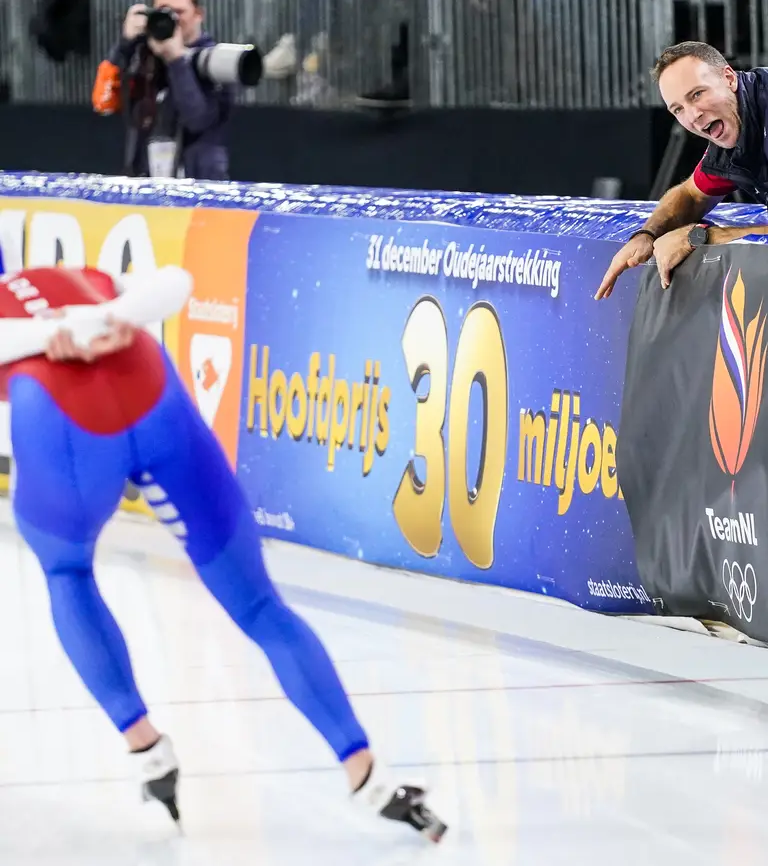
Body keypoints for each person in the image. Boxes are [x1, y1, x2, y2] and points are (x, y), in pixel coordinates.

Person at [0, 262, 447, 843]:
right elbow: (176, 283)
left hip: (59, 421)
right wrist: (106, 319)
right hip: (151, 388)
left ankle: (147, 748)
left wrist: (62, 337)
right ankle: (368, 775)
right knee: (260, 605)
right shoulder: (72, 272)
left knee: (66, 570)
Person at [596, 41, 768, 298]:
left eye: (697, 94)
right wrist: (647, 234)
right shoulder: (735, 124)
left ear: (729, 79)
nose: (693, 115)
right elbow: (690, 195)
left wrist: (700, 237)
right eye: (678, 109)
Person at [91, 0, 232, 180]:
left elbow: (197, 120)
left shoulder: (216, 60)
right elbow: (104, 103)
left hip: (200, 185)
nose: (172, 19)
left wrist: (175, 60)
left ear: (198, 14)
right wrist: (124, 46)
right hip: (146, 179)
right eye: (163, 12)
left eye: (179, 12)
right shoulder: (144, 56)